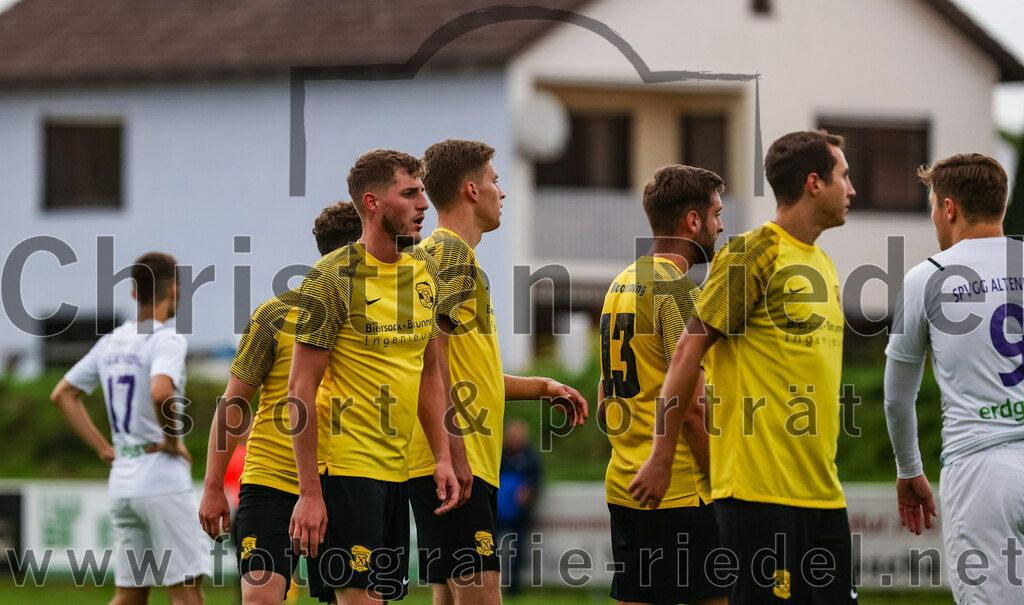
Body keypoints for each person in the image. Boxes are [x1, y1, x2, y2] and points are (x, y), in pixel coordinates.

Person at [655, 130, 858, 604]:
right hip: (758, 497)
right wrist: (663, 454)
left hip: (824, 495)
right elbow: (688, 351)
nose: (851, 189)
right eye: (843, 176)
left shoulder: (824, 264)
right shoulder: (753, 251)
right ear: (814, 182)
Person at [407, 139, 588, 605]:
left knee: (450, 597)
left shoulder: (453, 258)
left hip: (451, 456)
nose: (500, 192)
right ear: (471, 190)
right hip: (452, 457)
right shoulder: (449, 255)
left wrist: (543, 387)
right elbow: (433, 358)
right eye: (494, 181)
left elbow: (471, 372)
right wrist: (454, 449)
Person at [288, 150, 460, 605]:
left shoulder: (424, 274)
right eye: (410, 193)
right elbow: (299, 389)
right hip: (345, 471)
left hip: (397, 474)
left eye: (423, 191)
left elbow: (428, 375)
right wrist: (309, 493)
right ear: (372, 202)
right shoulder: (333, 276)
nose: (424, 203)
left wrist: (442, 455)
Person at [198, 201, 362, 604]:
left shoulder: (381, 320)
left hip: (347, 481)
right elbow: (234, 404)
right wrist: (213, 485)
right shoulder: (276, 314)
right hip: (271, 481)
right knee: (261, 598)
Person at [884, 153, 1024, 604]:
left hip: (982, 472)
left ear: (949, 208)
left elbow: (897, 398)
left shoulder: (927, 277)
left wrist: (909, 470)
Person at [50, 252, 211, 605]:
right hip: (162, 481)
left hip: (123, 480)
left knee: (130, 596)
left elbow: (62, 395)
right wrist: (171, 440)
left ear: (135, 293)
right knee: (186, 593)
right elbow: (160, 390)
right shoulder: (166, 339)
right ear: (175, 290)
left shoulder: (110, 343)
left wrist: (104, 449)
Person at [603, 165, 726, 605]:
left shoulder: (621, 282)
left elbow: (606, 399)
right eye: (715, 214)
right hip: (680, 492)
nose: (721, 225)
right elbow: (693, 410)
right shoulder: (675, 289)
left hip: (625, 485)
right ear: (692, 221)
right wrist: (722, 485)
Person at [495, 420, 541, 596]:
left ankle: (513, 588)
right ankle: (488, 583)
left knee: (517, 551)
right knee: (490, 549)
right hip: (498, 511)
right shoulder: (500, 454)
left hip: (520, 513)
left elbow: (536, 481)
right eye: (512, 436)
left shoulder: (531, 458)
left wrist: (529, 491)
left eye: (518, 436)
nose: (515, 440)